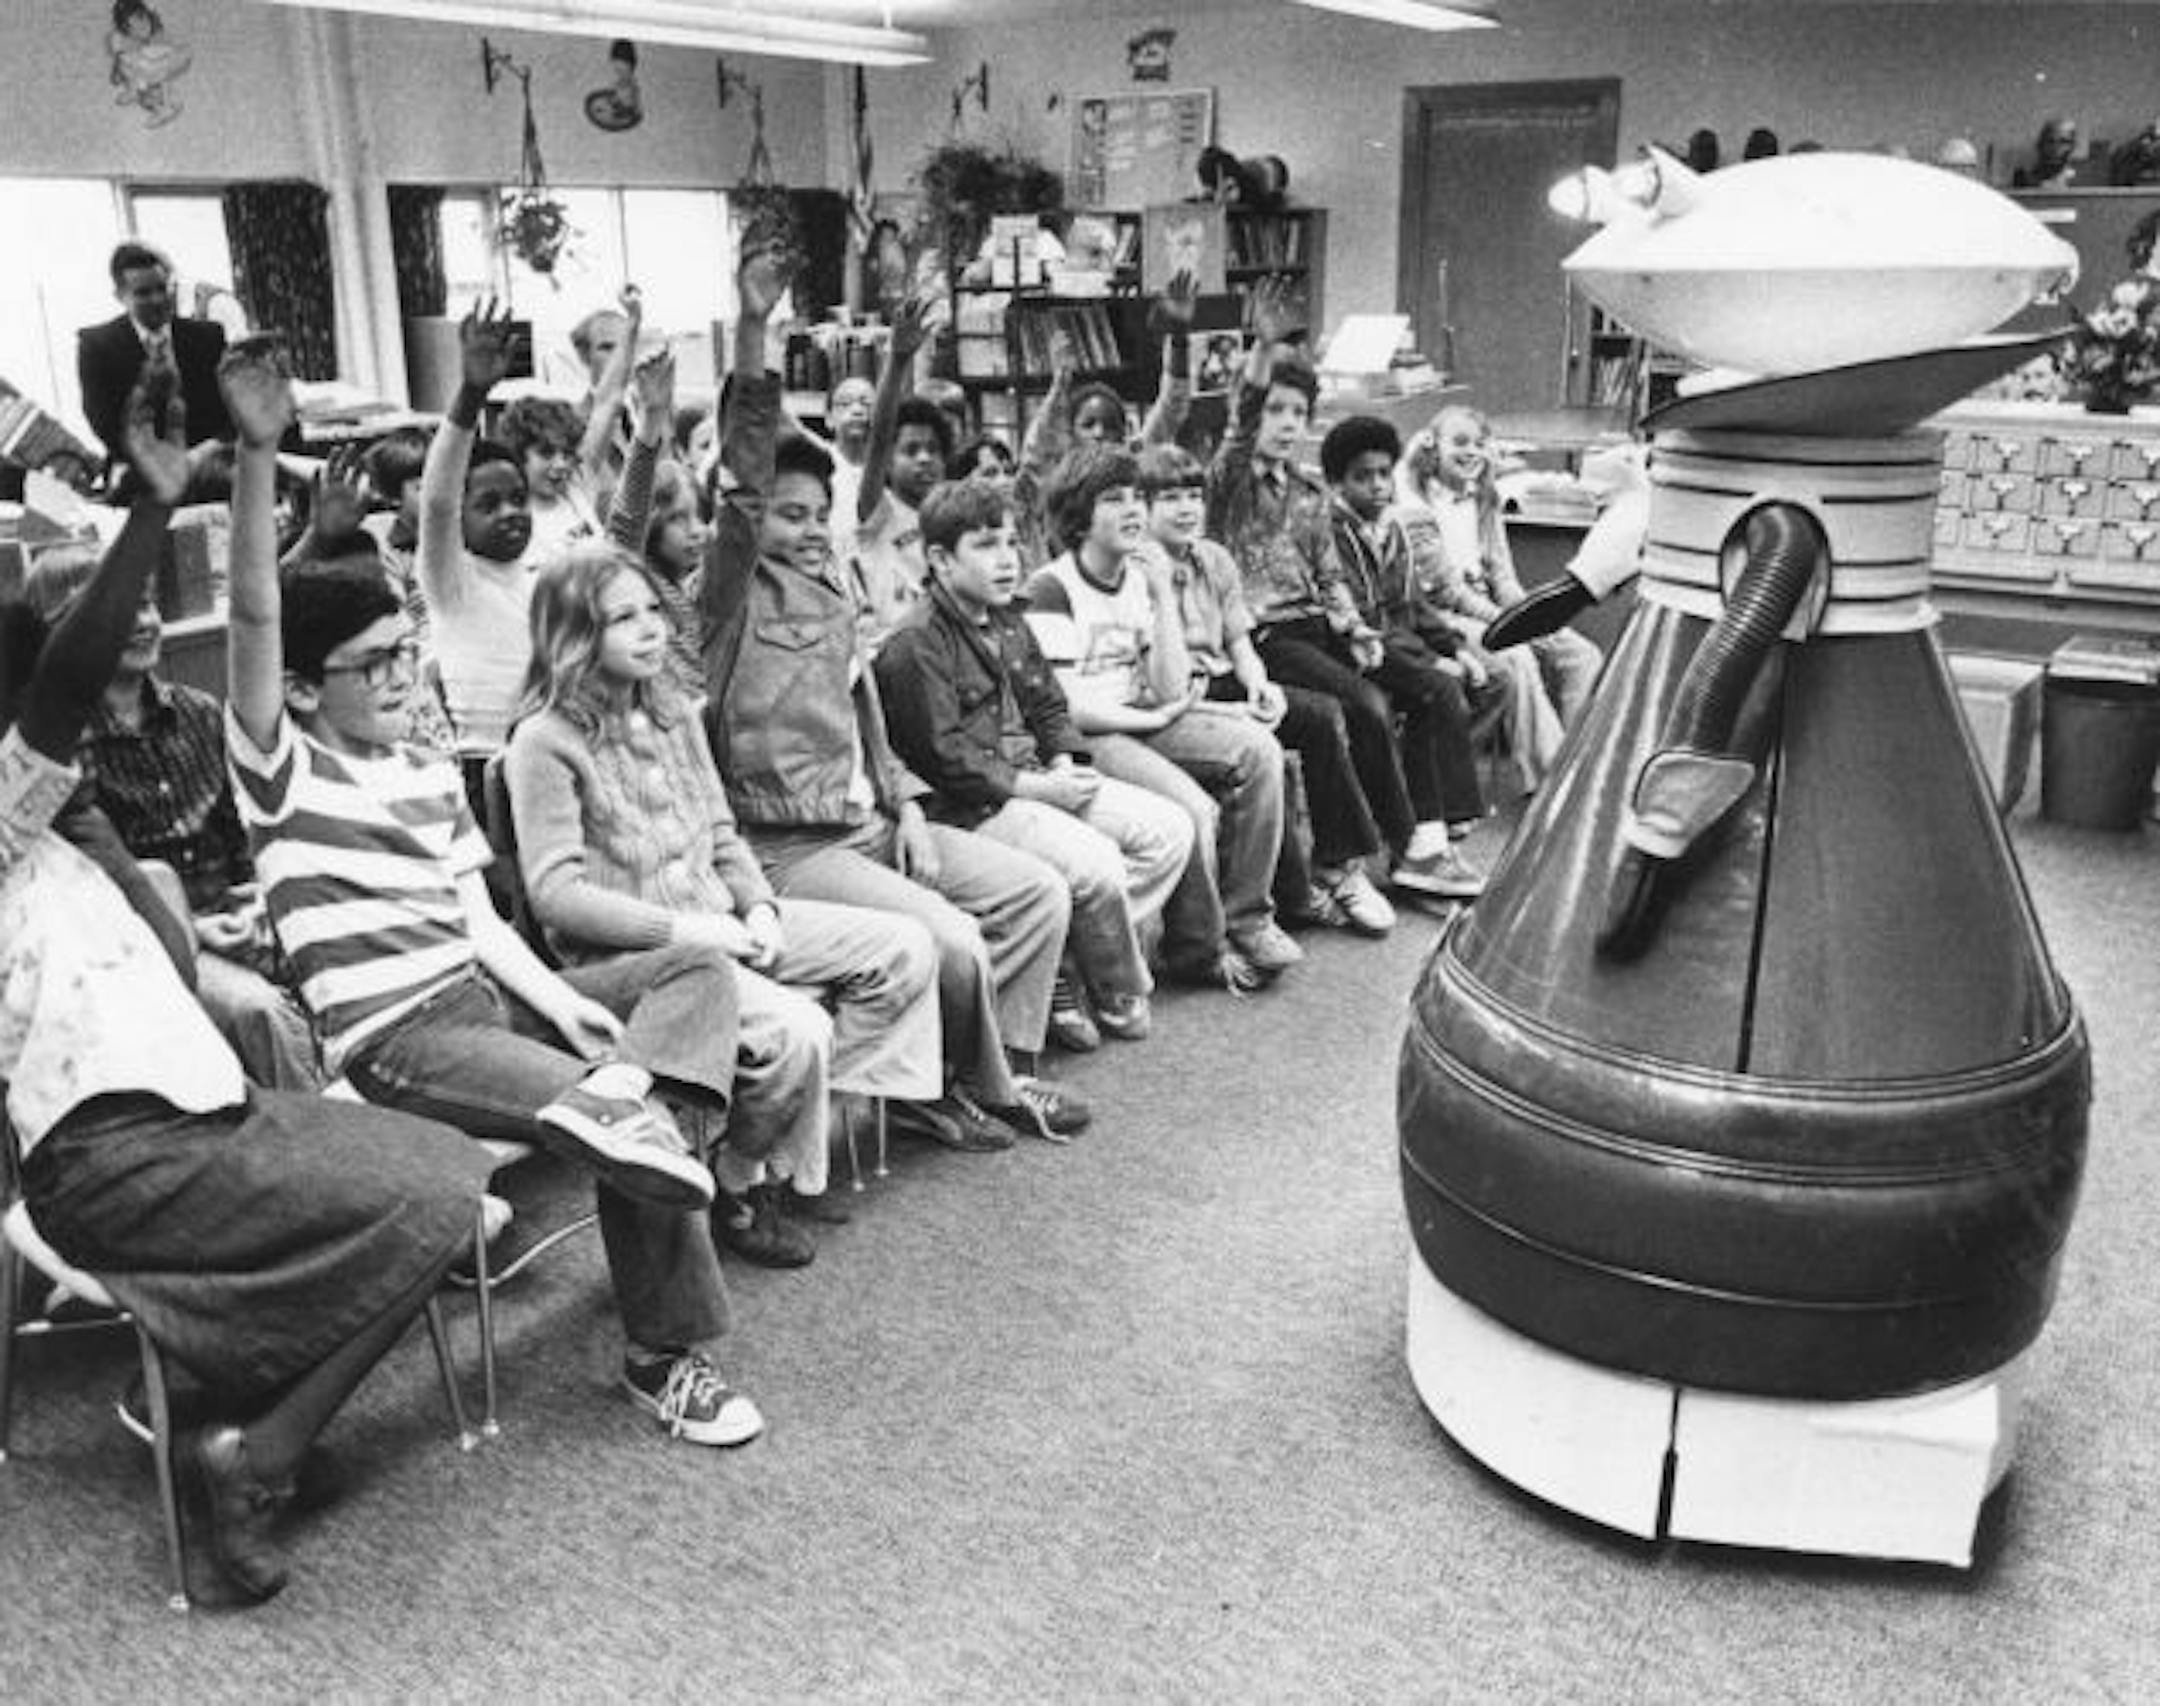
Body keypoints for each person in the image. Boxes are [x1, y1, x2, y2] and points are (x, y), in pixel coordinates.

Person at [216, 334, 769, 1452]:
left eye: (396, 652)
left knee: (695, 972)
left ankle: (647, 1121)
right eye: (364, 663)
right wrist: (254, 457)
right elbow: (250, 618)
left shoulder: (422, 767)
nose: (389, 676)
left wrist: (559, 999)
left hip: (481, 995)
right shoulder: (279, 766)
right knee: (618, 1099)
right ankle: (667, 1352)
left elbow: (474, 914)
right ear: (302, 687)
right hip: (397, 1035)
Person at [2, 357, 492, 1604]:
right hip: (113, 1151)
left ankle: (249, 1432)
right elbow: (64, 686)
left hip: (198, 1111)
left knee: (446, 1188)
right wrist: (158, 509)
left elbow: (66, 711)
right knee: (429, 1194)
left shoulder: (57, 823)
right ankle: (251, 1451)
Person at [696, 246, 1087, 1148]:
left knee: (1033, 892)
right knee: (946, 936)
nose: (799, 530)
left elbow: (862, 705)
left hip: (868, 816)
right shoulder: (725, 599)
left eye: (810, 514)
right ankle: (976, 1091)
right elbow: (743, 484)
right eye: (783, 516)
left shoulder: (833, 586)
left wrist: (906, 803)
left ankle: (1000, 1066)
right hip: (788, 841)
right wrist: (755, 330)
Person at [507, 541, 948, 1258]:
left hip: (724, 920)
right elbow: (556, 897)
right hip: (636, 958)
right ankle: (743, 1183)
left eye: (654, 609)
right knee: (797, 1030)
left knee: (904, 947)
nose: (652, 629)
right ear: (575, 635)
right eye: (625, 618)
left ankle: (780, 1148)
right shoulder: (544, 742)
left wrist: (761, 908)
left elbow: (721, 832)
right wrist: (693, 932)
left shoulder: (675, 710)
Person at [877, 477, 1192, 1050]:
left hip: (1037, 776)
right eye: (987, 545)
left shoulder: (1008, 618)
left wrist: (1070, 761)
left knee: (1169, 831)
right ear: (940, 560)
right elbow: (946, 759)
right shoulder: (914, 642)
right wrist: (1041, 790)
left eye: (1012, 542)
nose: (1007, 559)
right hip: (977, 804)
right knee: (1096, 866)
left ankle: (1068, 958)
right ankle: (1104, 982)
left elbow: (1049, 703)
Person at [21, 545, 324, 1088]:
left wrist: (257, 900)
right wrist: (198, 930)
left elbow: (246, 838)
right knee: (260, 1012)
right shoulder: (59, 754)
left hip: (238, 921)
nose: (140, 623)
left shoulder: (199, 712)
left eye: (146, 604)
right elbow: (87, 898)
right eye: (115, 610)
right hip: (150, 948)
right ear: (62, 633)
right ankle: (331, 1151)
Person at [1028, 443, 1300, 993]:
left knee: (1259, 751)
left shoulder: (1138, 576)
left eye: (1134, 499)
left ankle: (1249, 917)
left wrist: (1159, 593)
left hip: (1146, 715)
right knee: (1193, 808)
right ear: (1079, 517)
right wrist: (1151, 720)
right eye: (1113, 500)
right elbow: (1066, 706)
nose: (1132, 511)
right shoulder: (1052, 587)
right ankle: (1197, 948)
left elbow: (1171, 685)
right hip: (1095, 734)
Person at [1137, 442, 1397, 936]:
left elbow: (1238, 639)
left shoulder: (1213, 558)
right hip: (1174, 693)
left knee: (1319, 715)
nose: (1187, 508)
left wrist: (1260, 684)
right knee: (1271, 749)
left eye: (1193, 495)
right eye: (1170, 498)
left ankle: (1339, 865)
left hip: (1223, 677)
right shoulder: (1137, 569)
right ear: (1144, 508)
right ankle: (1292, 897)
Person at [1204, 279, 1402, 925]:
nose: (1287, 425)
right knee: (1348, 711)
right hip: (1256, 639)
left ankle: (1399, 845)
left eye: (1297, 413)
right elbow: (1235, 429)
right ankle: (1349, 867)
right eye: (1276, 412)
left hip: (1312, 630)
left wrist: (1353, 627)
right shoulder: (1228, 484)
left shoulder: (1309, 492)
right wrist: (1262, 351)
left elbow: (1329, 575)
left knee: (1377, 701)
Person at [1320, 415, 1492, 900]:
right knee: (1437, 688)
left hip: (1396, 647)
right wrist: (1434, 663)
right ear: (1337, 483)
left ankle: (1434, 835)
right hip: (1354, 649)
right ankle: (1433, 837)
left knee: (1453, 686)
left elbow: (1414, 605)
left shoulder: (1390, 529)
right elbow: (1365, 622)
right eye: (1362, 477)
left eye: (1383, 474)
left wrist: (1454, 647)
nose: (1377, 486)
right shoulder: (1335, 534)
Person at [1395, 404, 1603, 793]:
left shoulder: (1485, 498)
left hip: (1489, 606)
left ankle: (1580, 762)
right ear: (1433, 447)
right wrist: (1505, 625)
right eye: (1459, 442)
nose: (1471, 452)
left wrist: (1531, 615)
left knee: (1580, 653)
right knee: (1518, 657)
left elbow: (1502, 574)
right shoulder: (1417, 507)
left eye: (1479, 443)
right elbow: (1447, 592)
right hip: (1445, 617)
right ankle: (1552, 780)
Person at [76, 240, 233, 479]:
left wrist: (206, 452)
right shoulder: (97, 347)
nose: (158, 300)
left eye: (162, 288)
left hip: (209, 466)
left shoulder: (208, 337)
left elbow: (232, 408)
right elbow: (103, 421)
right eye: (143, 293)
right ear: (120, 296)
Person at [849, 296, 947, 652]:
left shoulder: (951, 515)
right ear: (888, 460)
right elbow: (879, 434)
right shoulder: (879, 510)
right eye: (910, 450)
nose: (924, 459)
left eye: (933, 450)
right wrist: (899, 359)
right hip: (891, 650)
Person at [498, 395, 600, 560]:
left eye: (567, 454)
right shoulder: (511, 522)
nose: (561, 464)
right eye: (546, 453)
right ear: (518, 454)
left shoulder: (576, 493)